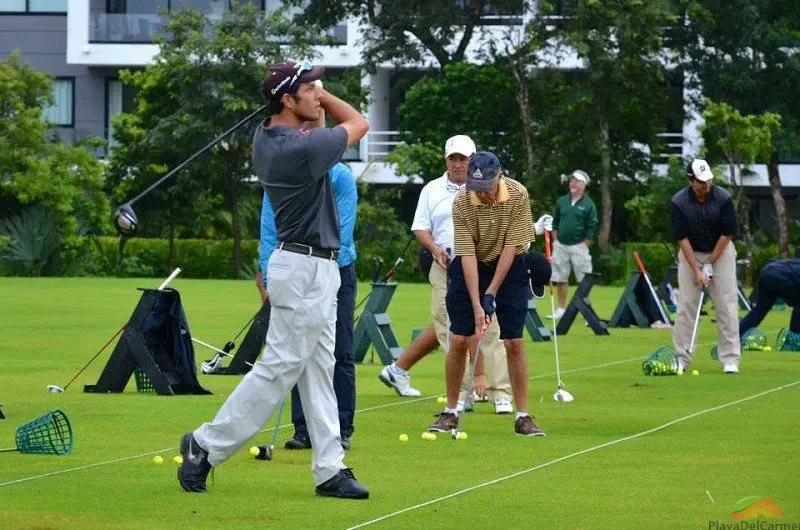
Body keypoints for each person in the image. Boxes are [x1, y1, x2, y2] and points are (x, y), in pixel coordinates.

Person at [177, 60, 370, 499]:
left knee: (319, 370)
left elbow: (316, 121)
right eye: (310, 87)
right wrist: (324, 98)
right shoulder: (299, 150)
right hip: (304, 269)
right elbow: (359, 122)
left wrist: (307, 95)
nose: (318, 93)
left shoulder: (269, 137)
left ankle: (329, 469)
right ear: (288, 99)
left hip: (313, 266)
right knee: (278, 369)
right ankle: (204, 446)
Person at [379, 135, 552, 415]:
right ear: (446, 160)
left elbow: (510, 240)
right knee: (449, 328)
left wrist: (490, 291)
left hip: (492, 264)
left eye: (463, 158)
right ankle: (461, 393)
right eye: (453, 158)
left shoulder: (513, 193)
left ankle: (500, 393)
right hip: (448, 262)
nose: (458, 164)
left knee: (492, 329)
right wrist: (435, 250)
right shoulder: (439, 192)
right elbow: (422, 228)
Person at [428, 151, 548, 437]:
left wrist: (492, 292)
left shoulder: (518, 194)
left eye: (486, 188)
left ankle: (523, 416)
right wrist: (477, 303)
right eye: (476, 188)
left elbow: (511, 246)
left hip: (509, 267)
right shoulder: (461, 202)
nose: (480, 194)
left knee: (514, 342)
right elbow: (466, 254)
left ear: (500, 176)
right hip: (470, 267)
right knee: (458, 339)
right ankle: (451, 410)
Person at [259, 151, 359, 451]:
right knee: (297, 349)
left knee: (338, 349)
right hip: (294, 270)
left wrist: (316, 269)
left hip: (335, 269)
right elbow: (268, 230)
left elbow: (341, 232)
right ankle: (303, 429)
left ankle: (340, 428)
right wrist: (269, 275)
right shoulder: (279, 177)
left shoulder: (340, 176)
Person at [670, 159, 740, 374]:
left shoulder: (723, 198)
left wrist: (709, 264)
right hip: (691, 252)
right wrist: (697, 270)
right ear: (691, 180)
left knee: (726, 304)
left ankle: (730, 359)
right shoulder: (679, 202)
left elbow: (727, 233)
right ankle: (682, 358)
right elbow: (681, 239)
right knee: (686, 306)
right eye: (701, 181)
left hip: (722, 251)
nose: (706, 185)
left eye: (708, 180)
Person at [550, 170, 598, 319]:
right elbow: (555, 222)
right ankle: (561, 309)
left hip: (579, 246)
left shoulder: (589, 204)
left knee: (584, 280)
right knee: (560, 278)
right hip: (561, 245)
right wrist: (555, 240)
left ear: (583, 184)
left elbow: (592, 225)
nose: (573, 183)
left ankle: (585, 312)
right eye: (572, 181)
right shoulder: (562, 201)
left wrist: (585, 244)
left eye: (577, 181)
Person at [739, 247, 800, 340]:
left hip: (768, 270)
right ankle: (793, 339)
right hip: (781, 275)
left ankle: (734, 337)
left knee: (758, 311)